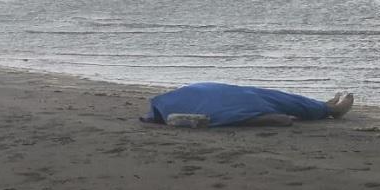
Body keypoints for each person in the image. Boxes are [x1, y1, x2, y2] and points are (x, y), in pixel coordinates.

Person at [140, 82, 354, 127]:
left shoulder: (165, 104)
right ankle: (329, 109)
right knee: (266, 99)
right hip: (224, 96)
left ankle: (323, 107)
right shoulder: (167, 105)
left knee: (266, 98)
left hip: (216, 93)